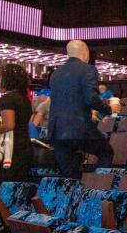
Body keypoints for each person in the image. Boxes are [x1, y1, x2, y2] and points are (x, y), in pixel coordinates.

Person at [49, 40, 114, 178]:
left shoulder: (55, 74)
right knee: (106, 153)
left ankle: (73, 197)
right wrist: (109, 109)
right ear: (85, 53)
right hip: (79, 129)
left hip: (57, 132)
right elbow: (91, 98)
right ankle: (98, 191)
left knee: (69, 176)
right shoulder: (88, 69)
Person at [0, 63, 35, 191]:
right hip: (24, 147)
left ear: (7, 79)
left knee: (1, 189)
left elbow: (9, 124)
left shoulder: (7, 99)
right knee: (18, 190)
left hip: (10, 151)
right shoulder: (24, 99)